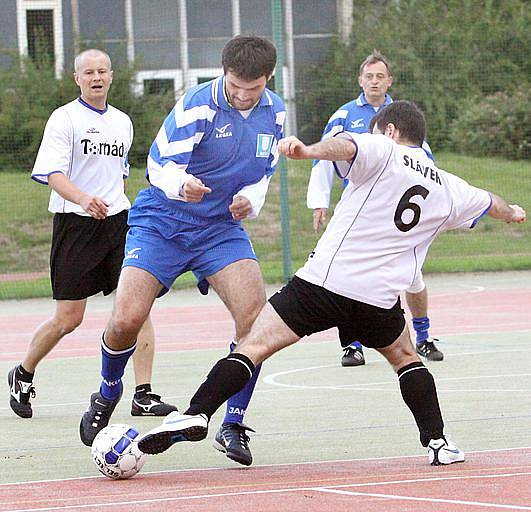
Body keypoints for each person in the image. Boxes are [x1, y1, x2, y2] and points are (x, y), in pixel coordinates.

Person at [136, 101, 525, 466]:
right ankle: (439, 444)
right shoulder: (451, 187)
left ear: (389, 130)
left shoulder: (384, 148)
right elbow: (491, 201)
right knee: (406, 358)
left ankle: (195, 413)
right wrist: (512, 214)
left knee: (253, 345)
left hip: (323, 284)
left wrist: (307, 151)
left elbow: (346, 146)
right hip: (379, 300)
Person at [78, 36, 286, 467]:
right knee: (126, 319)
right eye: (236, 85)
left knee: (256, 321)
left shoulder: (276, 111)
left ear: (269, 78)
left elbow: (264, 172)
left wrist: (253, 198)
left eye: (254, 87)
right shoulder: (197, 104)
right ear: (224, 73)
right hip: (163, 222)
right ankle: (108, 392)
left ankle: (232, 422)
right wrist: (180, 184)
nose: (244, 95)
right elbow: (158, 166)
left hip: (220, 228)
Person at [7, 49, 177, 420]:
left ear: (112, 76)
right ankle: (22, 373)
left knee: (138, 305)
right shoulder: (64, 118)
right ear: (77, 78)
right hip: (76, 224)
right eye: (88, 72)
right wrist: (85, 199)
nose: (96, 77)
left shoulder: (122, 122)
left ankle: (143, 394)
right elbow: (53, 174)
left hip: (119, 222)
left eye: (102, 71)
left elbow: (120, 175)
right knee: (69, 319)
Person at [307, 50, 443, 367]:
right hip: (362, 210)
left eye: (380, 76)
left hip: (399, 213)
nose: (374, 81)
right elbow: (326, 155)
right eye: (369, 76)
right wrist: (319, 201)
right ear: (360, 80)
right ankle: (353, 345)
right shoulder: (344, 116)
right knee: (349, 273)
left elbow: (427, 164)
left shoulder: (405, 116)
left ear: (389, 80)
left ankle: (422, 337)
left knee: (413, 277)